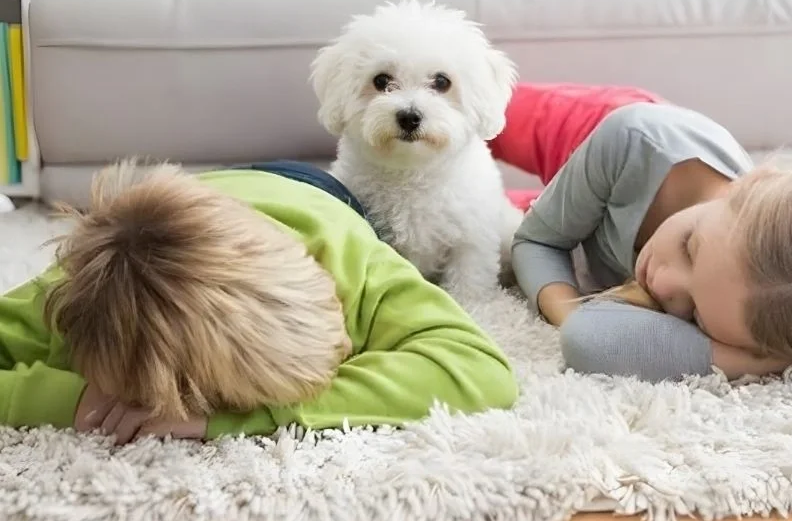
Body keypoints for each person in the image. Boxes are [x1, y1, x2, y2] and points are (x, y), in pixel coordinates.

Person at [0, 160, 517, 444]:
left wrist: (240, 419)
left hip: (318, 193)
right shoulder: (76, 298)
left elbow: (481, 371)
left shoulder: (352, 259)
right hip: (193, 205)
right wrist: (72, 401)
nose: (352, 345)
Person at [500, 83, 792, 382]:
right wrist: (571, 310)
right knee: (469, 105)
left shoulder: (748, 294)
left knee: (476, 215)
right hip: (609, 141)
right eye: (690, 247)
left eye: (694, 315)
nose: (662, 283)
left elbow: (590, 342)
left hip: (581, 230)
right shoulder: (633, 138)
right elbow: (538, 240)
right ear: (754, 182)